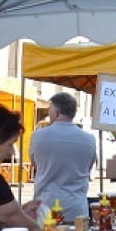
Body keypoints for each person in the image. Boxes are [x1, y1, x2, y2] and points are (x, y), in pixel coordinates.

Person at [30, 91, 96, 221]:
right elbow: (88, 168)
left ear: (56, 112)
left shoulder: (38, 136)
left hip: (45, 207)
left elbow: (35, 164)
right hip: (76, 208)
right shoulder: (89, 139)